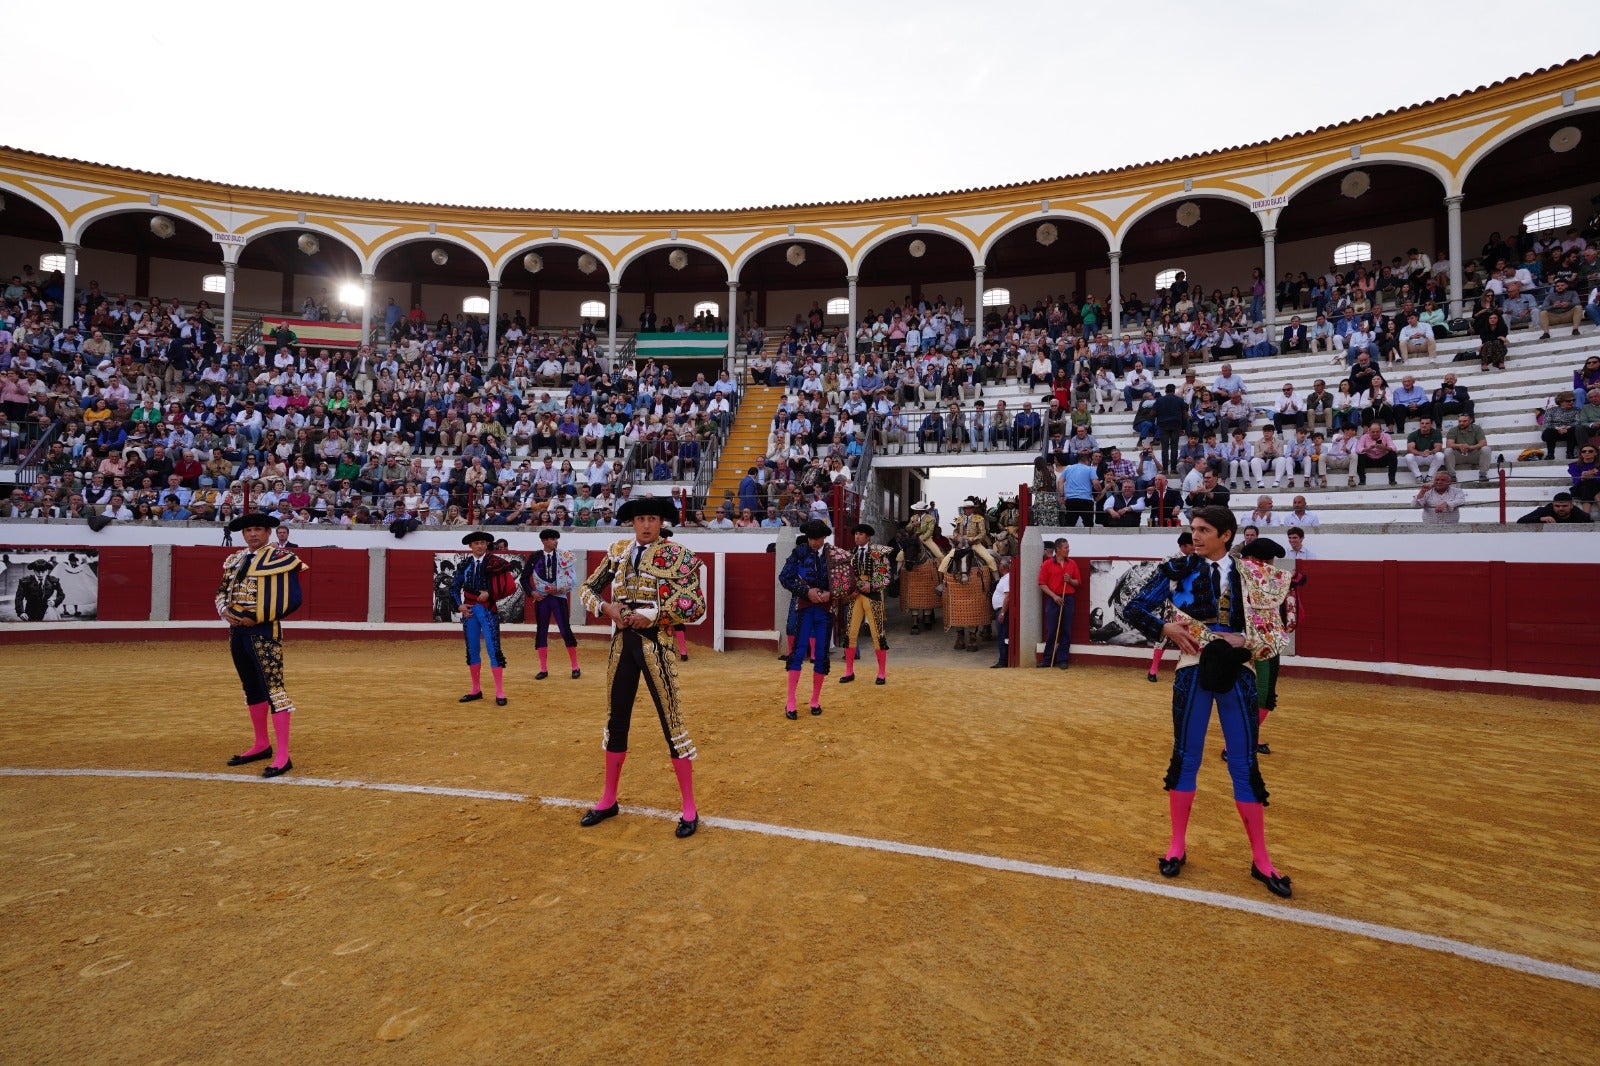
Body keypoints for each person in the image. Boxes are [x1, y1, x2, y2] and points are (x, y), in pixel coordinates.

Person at [1124, 506, 1294, 899]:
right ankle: (1177, 845)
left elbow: (1274, 630)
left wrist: (1245, 641)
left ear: (1226, 535)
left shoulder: (1253, 574)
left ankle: (1261, 860)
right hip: (1192, 667)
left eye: (1203, 530)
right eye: (1193, 529)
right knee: (1186, 756)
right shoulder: (1178, 568)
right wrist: (1163, 626)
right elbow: (1131, 607)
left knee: (1243, 762)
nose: (1195, 536)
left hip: (1238, 671)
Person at [576, 496, 707, 838]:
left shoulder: (676, 554)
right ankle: (608, 799)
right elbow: (586, 589)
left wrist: (651, 614)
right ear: (631, 523)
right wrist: (607, 608)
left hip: (655, 643)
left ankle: (689, 807)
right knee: (616, 720)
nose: (647, 525)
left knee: (671, 722)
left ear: (661, 522)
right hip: (622, 645)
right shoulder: (618, 551)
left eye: (652, 519)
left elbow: (694, 606)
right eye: (640, 519)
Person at [217, 513, 309, 779]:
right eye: (248, 530)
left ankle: (283, 755)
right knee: (251, 687)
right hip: (236, 632)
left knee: (274, 690)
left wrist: (255, 617)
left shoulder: (282, 559)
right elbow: (222, 591)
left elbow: (293, 599)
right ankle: (261, 744)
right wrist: (225, 610)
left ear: (269, 532)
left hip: (264, 631)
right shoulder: (234, 559)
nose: (253, 534)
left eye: (258, 529)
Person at [780, 518, 848, 718]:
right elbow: (785, 577)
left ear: (824, 538)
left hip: (825, 611)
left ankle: (815, 700)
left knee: (820, 655)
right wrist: (805, 591)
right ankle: (791, 701)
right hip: (805, 608)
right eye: (810, 538)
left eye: (816, 539)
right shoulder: (799, 553)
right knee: (799, 652)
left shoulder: (834, 555)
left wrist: (831, 594)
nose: (812, 542)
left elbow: (846, 584)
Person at [451, 530, 513, 705]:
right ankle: (475, 689)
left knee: (494, 650)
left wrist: (490, 594)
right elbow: (454, 588)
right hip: (470, 611)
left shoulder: (495, 563)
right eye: (476, 543)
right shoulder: (465, 565)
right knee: (472, 650)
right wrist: (459, 606)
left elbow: (508, 586)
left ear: (487, 545)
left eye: (483, 543)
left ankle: (500, 692)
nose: (480, 546)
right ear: (470, 546)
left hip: (487, 611)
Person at [838, 523, 894, 686]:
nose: (857, 536)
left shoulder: (878, 552)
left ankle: (881, 673)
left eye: (860, 534)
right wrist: (850, 590)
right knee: (850, 632)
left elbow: (885, 575)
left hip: (873, 596)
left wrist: (873, 585)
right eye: (855, 534)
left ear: (868, 537)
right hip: (855, 596)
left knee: (878, 634)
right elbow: (845, 576)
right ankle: (849, 671)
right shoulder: (850, 553)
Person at [524, 528, 581, 681]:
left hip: (558, 597)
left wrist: (560, 588)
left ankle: (575, 667)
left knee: (565, 629)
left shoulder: (564, 556)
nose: (556, 541)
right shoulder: (535, 557)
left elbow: (572, 579)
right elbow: (524, 579)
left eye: (556, 539)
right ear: (544, 541)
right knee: (541, 631)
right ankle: (543, 669)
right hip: (542, 598)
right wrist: (532, 593)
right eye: (552, 539)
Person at [1037, 538, 1080, 669]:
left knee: (1066, 630)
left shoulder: (1072, 563)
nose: (1068, 549)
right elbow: (1042, 583)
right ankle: (1047, 659)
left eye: (1068, 547)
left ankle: (1062, 659)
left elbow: (1078, 582)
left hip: (1068, 598)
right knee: (1051, 630)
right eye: (1066, 547)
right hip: (1053, 599)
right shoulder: (1047, 564)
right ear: (1058, 549)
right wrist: (1054, 596)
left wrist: (1070, 580)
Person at [1516, 492, 1594, 525]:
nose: (1560, 508)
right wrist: (1540, 519)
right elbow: (1520, 521)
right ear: (1553, 505)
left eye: (1564, 506)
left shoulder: (1581, 515)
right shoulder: (1544, 510)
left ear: (1571, 506)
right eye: (1557, 506)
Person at [990, 556, 1012, 669]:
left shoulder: (1007, 578)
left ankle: (1003, 660)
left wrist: (1003, 613)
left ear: (1002, 567)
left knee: (1002, 635)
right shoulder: (1005, 578)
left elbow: (1007, 597)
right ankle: (1003, 659)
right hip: (999, 610)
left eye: (999, 565)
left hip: (1001, 611)